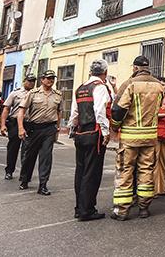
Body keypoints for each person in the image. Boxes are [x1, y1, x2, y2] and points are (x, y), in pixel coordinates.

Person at [109, 56, 164, 220]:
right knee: (146, 170)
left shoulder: (129, 84)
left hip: (130, 137)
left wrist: (114, 126)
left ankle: (122, 210)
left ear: (135, 68)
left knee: (126, 170)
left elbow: (118, 110)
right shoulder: (159, 85)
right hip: (150, 137)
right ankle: (144, 208)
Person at [69, 60, 111, 221]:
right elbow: (99, 111)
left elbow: (74, 113)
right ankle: (87, 209)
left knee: (80, 171)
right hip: (95, 133)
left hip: (81, 134)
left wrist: (73, 130)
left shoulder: (80, 88)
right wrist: (106, 131)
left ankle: (79, 208)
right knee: (92, 173)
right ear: (104, 73)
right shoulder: (99, 87)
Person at [17, 70, 62, 195]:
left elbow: (59, 113)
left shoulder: (58, 95)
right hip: (34, 128)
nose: (51, 80)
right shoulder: (33, 93)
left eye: (53, 78)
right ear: (42, 80)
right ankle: (25, 179)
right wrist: (21, 128)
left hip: (49, 129)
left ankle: (43, 185)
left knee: (46, 157)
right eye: (48, 78)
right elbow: (21, 111)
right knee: (29, 156)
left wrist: (57, 129)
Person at [1, 74, 37, 180]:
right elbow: (6, 109)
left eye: (33, 81)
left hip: (29, 123)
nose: (31, 83)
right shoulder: (15, 93)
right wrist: (3, 125)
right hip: (15, 123)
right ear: (24, 81)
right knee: (13, 148)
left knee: (28, 149)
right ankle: (9, 171)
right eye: (29, 81)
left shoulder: (35, 94)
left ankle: (24, 173)